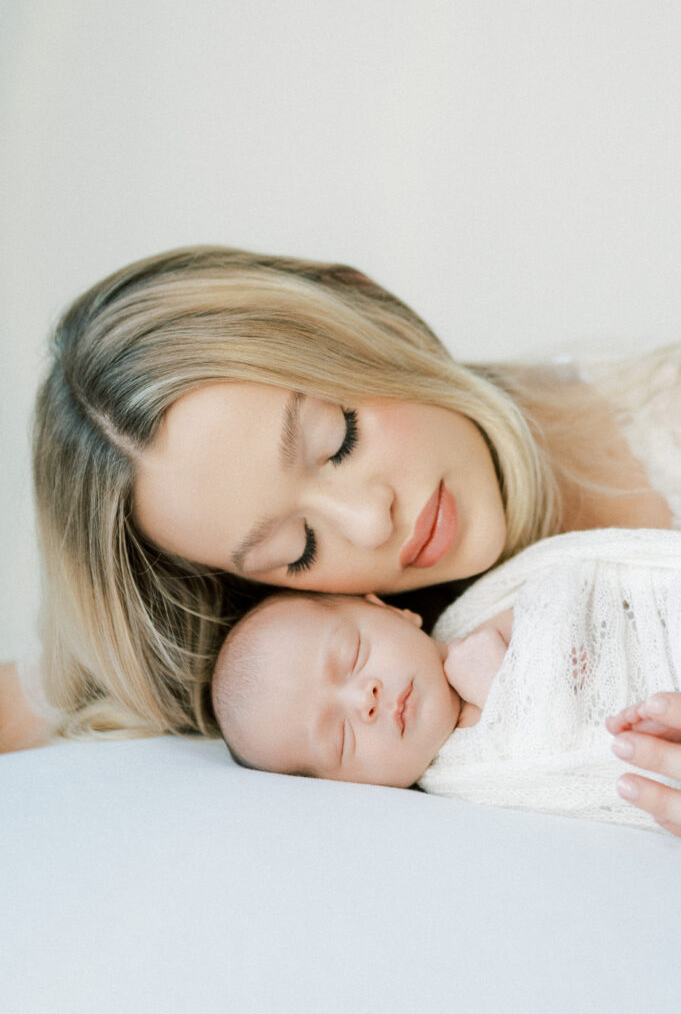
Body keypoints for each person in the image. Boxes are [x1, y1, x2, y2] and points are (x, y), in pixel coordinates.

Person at [14, 243, 681, 833]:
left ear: (367, 313)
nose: (370, 523)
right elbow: (56, 692)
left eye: (341, 441)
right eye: (298, 548)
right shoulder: (347, 673)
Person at [211, 528, 681, 833]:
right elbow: (586, 769)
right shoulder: (467, 791)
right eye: (339, 737)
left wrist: (509, 674)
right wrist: (501, 690)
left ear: (393, 611)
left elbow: (587, 598)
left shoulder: (483, 618)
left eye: (352, 654)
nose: (364, 699)